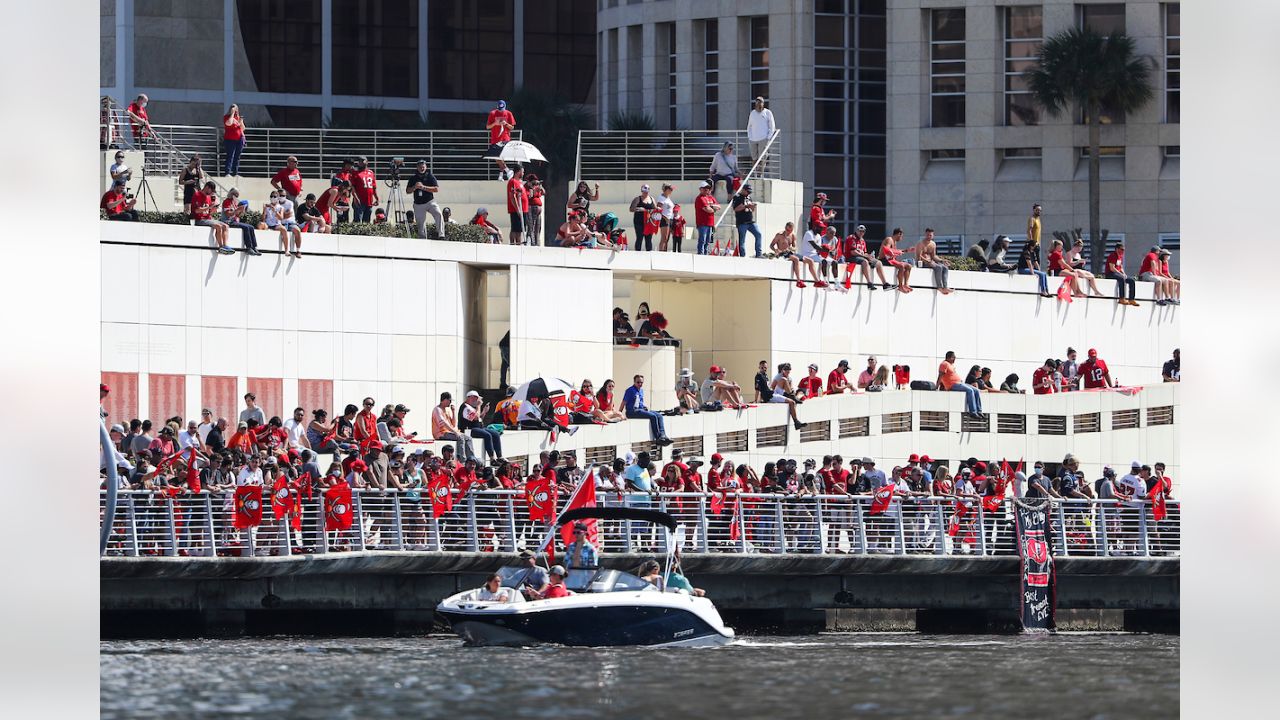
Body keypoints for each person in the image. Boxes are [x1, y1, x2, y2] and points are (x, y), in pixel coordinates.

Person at [622, 375, 672, 445]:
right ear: (634, 382)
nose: (640, 384)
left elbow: (640, 403)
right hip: (632, 412)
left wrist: (644, 407)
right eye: (638, 382)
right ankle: (658, 437)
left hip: (640, 410)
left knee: (659, 416)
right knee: (653, 416)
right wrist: (620, 413)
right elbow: (624, 402)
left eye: (641, 382)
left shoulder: (641, 391)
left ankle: (663, 435)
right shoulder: (630, 390)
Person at [843, 224, 891, 290]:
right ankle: (869, 283)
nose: (861, 233)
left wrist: (869, 256)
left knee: (879, 263)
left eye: (863, 231)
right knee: (865, 261)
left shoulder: (862, 240)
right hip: (851, 257)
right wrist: (865, 256)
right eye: (860, 231)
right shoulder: (851, 238)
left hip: (861, 257)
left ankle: (885, 284)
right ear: (856, 231)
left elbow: (864, 252)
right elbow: (853, 252)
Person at [460, 390, 503, 464]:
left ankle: (499, 457)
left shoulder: (472, 407)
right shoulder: (465, 407)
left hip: (478, 427)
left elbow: (479, 418)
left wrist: (484, 411)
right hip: (469, 429)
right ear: (470, 398)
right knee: (487, 435)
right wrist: (479, 406)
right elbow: (475, 417)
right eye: (475, 398)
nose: (477, 401)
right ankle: (492, 458)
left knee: (495, 434)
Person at [772, 222, 821, 287]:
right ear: (785, 228)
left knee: (810, 261)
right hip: (782, 253)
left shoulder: (792, 236)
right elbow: (771, 245)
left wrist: (792, 248)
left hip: (790, 253)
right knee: (796, 259)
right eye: (788, 230)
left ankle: (817, 281)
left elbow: (794, 248)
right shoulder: (779, 235)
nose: (789, 232)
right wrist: (776, 250)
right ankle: (798, 281)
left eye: (791, 230)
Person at [191, 182, 234, 255]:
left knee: (226, 226)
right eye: (211, 191)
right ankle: (221, 247)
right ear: (207, 187)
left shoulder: (208, 197)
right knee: (219, 226)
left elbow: (209, 213)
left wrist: (214, 209)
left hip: (208, 219)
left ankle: (225, 245)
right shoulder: (197, 195)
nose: (211, 193)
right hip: (200, 220)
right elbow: (197, 210)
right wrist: (209, 207)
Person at [432, 392, 476, 462]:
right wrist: (455, 432)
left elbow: (453, 424)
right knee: (460, 437)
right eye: (450, 400)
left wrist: (453, 411)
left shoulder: (447, 410)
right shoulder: (437, 409)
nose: (450, 402)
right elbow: (444, 424)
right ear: (445, 400)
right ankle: (462, 460)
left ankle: (472, 459)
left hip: (448, 432)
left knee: (468, 438)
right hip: (440, 433)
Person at [938, 350, 982, 419]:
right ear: (949, 357)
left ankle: (979, 411)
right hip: (952, 385)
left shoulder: (951, 365)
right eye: (953, 357)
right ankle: (973, 412)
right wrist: (936, 387)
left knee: (976, 390)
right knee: (970, 390)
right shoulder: (944, 364)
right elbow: (940, 376)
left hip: (959, 383)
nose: (955, 359)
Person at [406, 159, 442, 239]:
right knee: (420, 223)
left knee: (438, 214)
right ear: (417, 168)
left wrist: (423, 187)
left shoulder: (430, 176)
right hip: (418, 204)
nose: (421, 168)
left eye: (423, 167)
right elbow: (408, 191)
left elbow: (436, 189)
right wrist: (415, 187)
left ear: (426, 167)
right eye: (420, 167)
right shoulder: (413, 178)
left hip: (430, 202)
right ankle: (422, 239)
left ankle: (441, 235)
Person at [220, 188, 260, 254]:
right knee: (246, 227)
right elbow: (228, 214)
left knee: (251, 227)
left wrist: (241, 211)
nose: (237, 197)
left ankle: (254, 247)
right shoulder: (226, 202)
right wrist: (237, 210)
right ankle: (248, 247)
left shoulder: (234, 202)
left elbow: (237, 215)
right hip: (228, 221)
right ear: (232, 194)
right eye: (236, 195)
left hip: (233, 221)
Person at [916, 228, 953, 294]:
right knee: (939, 267)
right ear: (925, 234)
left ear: (933, 235)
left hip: (931, 262)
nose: (929, 237)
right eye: (927, 235)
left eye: (930, 235)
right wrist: (927, 261)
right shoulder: (921, 244)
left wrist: (942, 260)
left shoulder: (933, 244)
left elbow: (933, 256)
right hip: (922, 262)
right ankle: (939, 287)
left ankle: (945, 287)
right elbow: (919, 256)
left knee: (945, 267)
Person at [485, 99, 516, 179]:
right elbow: (488, 127)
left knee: (500, 157)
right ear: (497, 107)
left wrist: (506, 124)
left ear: (505, 107)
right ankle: (507, 171)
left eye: (502, 109)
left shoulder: (509, 114)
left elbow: (512, 127)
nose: (501, 111)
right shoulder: (493, 113)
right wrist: (495, 123)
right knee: (496, 157)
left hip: (505, 138)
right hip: (495, 139)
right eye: (499, 109)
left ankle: (501, 175)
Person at [768, 363, 806, 429]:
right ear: (783, 370)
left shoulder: (789, 378)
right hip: (776, 394)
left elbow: (791, 388)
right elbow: (772, 387)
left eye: (789, 370)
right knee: (784, 380)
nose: (788, 372)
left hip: (784, 393)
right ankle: (793, 397)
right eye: (786, 370)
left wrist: (793, 392)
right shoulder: (779, 376)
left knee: (792, 402)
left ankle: (796, 422)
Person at [732, 184, 764, 258]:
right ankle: (742, 255)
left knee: (758, 234)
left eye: (749, 192)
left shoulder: (749, 197)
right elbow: (736, 208)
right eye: (747, 191)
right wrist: (746, 206)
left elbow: (751, 210)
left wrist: (752, 207)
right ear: (743, 190)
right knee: (742, 239)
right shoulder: (737, 197)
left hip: (750, 221)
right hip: (742, 222)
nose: (748, 193)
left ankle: (758, 253)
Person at [1104, 241, 1138, 306]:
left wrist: (1124, 274)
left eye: (1124, 250)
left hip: (1117, 273)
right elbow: (1112, 268)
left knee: (1131, 280)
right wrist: (1120, 274)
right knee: (1121, 279)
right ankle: (1121, 298)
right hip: (1110, 273)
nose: (1123, 251)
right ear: (1117, 249)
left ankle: (1131, 299)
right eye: (1122, 249)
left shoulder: (1120, 256)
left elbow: (1120, 267)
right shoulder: (1113, 256)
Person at [746, 96, 777, 168]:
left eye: (760, 102)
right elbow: (749, 126)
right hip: (753, 139)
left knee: (762, 158)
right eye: (757, 102)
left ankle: (761, 175)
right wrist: (750, 137)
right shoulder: (752, 113)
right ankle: (755, 175)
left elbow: (772, 126)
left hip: (763, 139)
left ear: (763, 103)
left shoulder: (767, 113)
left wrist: (768, 137)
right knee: (754, 158)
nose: (759, 104)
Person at [879, 228, 913, 292]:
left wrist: (906, 250)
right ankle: (900, 286)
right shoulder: (889, 239)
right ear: (899, 234)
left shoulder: (894, 242)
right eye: (901, 236)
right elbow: (887, 250)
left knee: (908, 266)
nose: (901, 238)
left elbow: (895, 251)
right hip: (884, 259)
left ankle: (905, 284)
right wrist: (895, 254)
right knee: (901, 266)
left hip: (891, 260)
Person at [273, 193, 305, 257]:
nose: (281, 197)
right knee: (283, 230)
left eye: (283, 195)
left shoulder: (290, 203)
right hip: (280, 224)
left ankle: (298, 251)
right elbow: (277, 216)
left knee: (297, 230)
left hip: (290, 223)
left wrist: (281, 215)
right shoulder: (275, 203)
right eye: (280, 195)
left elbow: (289, 215)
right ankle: (286, 251)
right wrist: (282, 215)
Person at [350, 157, 380, 223]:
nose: (361, 162)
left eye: (362, 160)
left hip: (369, 201)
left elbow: (373, 187)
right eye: (359, 161)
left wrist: (377, 198)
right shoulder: (355, 173)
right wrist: (355, 198)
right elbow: (353, 187)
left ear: (367, 162)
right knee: (357, 221)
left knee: (366, 221)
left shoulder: (371, 172)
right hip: (359, 201)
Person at [629, 184, 657, 252]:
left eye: (647, 191)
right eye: (644, 191)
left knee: (649, 239)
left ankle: (649, 254)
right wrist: (639, 209)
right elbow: (631, 209)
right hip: (639, 222)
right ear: (641, 191)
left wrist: (658, 209)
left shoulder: (652, 199)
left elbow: (655, 208)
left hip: (649, 222)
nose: (646, 192)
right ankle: (637, 254)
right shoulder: (638, 199)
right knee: (639, 238)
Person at [694, 181, 719, 255]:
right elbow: (707, 210)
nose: (706, 190)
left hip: (710, 223)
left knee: (707, 241)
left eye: (708, 188)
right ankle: (701, 254)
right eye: (705, 188)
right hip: (702, 223)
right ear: (700, 189)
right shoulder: (700, 198)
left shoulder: (710, 197)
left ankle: (705, 255)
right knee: (702, 240)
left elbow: (718, 207)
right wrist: (712, 208)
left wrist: (711, 208)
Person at [222, 104, 246, 176]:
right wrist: (232, 114)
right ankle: (227, 172)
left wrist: (241, 121)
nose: (235, 111)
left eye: (236, 109)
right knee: (230, 156)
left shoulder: (237, 118)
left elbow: (243, 128)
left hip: (239, 140)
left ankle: (235, 173)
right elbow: (229, 123)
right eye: (234, 109)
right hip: (230, 139)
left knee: (237, 157)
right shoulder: (227, 117)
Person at [525, 174, 545, 244]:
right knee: (531, 227)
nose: (534, 184)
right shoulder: (526, 187)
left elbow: (543, 193)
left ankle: (537, 242)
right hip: (531, 208)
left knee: (538, 227)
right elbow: (529, 196)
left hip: (538, 210)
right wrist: (532, 189)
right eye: (533, 183)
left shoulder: (536, 187)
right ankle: (531, 242)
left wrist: (540, 186)